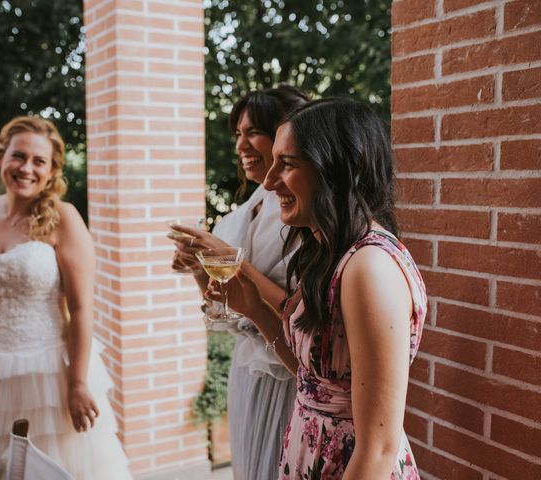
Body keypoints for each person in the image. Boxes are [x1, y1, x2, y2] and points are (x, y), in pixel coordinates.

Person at [210, 98, 426, 479]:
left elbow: (378, 447)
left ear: (336, 170)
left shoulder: (369, 267)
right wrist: (256, 309)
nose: (271, 180)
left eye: (287, 164)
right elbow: (316, 383)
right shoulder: (330, 253)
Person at [0, 116, 132, 480]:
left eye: (39, 161)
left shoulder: (63, 218)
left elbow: (83, 308)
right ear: (1, 157)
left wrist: (78, 384)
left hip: (50, 373)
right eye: (18, 156)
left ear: (52, 170)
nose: (26, 168)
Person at [169, 85, 308, 480]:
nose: (242, 145)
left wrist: (233, 261)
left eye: (253, 132)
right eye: (238, 134)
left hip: (286, 373)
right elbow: (226, 311)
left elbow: (299, 309)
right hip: (247, 368)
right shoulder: (241, 213)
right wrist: (200, 268)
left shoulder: (301, 217)